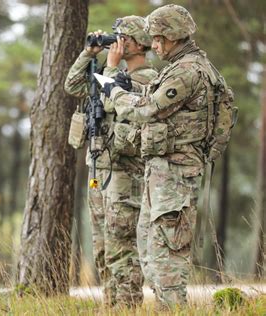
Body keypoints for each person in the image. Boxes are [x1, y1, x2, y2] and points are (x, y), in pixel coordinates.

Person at [105, 4, 227, 309]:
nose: (155, 46)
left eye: (158, 39)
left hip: (175, 174)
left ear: (173, 36)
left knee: (167, 262)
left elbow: (147, 109)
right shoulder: (184, 66)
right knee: (151, 254)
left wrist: (116, 93)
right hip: (163, 172)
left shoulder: (186, 72)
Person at [64, 16, 157, 307]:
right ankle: (111, 304)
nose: (117, 43)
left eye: (124, 38)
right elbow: (72, 85)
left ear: (140, 44)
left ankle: (127, 306)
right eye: (116, 37)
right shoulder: (108, 71)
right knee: (103, 245)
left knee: (121, 244)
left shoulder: (149, 79)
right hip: (98, 168)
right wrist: (89, 54)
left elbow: (110, 100)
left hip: (124, 172)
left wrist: (112, 66)